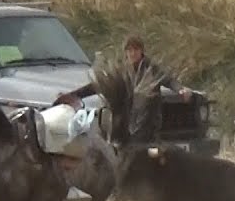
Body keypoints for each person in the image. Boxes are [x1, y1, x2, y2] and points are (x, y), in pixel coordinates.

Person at [58, 35, 191, 143]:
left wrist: (180, 89)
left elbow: (168, 80)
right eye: (130, 50)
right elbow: (99, 85)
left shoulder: (150, 69)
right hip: (127, 123)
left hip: (148, 124)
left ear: (141, 51)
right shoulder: (122, 70)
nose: (133, 53)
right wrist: (73, 95)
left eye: (136, 50)